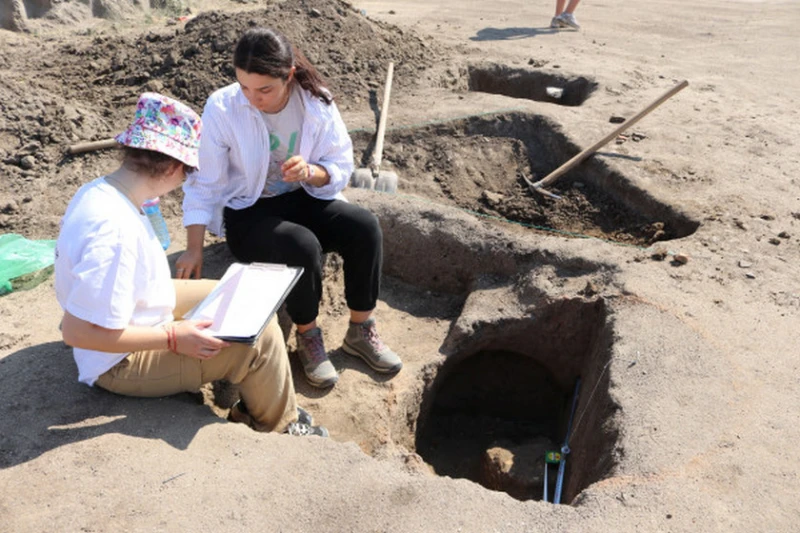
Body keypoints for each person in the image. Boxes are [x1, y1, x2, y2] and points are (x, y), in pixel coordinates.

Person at [55, 92, 326, 437]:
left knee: (239, 298)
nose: (185, 181)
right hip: (117, 363)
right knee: (260, 343)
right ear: (170, 167)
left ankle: (257, 399)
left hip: (138, 306)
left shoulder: (101, 191)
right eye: (186, 172)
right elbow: (76, 332)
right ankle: (276, 426)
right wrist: (171, 336)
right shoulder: (115, 232)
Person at [177, 28, 403, 389]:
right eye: (245, 87)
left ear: (289, 75)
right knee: (302, 245)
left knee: (364, 226)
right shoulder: (222, 107)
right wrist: (193, 248)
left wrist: (311, 172)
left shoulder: (316, 102)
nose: (253, 99)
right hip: (249, 211)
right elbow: (206, 183)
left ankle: (361, 330)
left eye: (264, 89)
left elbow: (339, 164)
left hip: (303, 196)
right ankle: (308, 336)